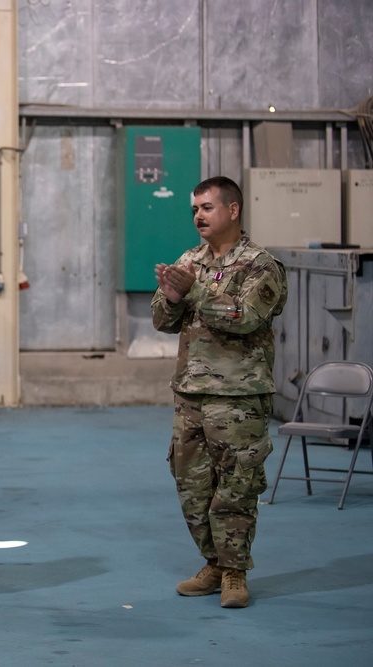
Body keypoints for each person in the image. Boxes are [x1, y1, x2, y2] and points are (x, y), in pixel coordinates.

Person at [152, 175, 287, 609]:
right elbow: (161, 319)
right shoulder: (190, 259)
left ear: (233, 210)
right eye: (194, 209)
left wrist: (194, 291)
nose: (198, 216)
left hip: (238, 397)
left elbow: (246, 317)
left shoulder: (261, 265)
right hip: (191, 393)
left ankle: (234, 572)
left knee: (236, 486)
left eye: (207, 208)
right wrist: (171, 296)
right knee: (191, 485)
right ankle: (211, 562)